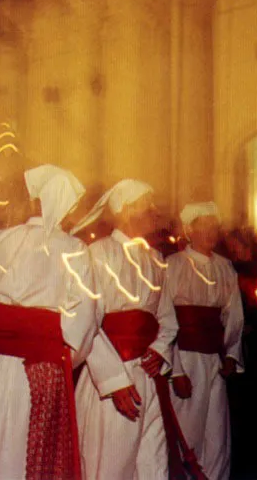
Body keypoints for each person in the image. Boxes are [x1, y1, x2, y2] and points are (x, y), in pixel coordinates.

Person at [0, 164, 99, 480]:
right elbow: (84, 320)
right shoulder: (75, 250)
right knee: (26, 455)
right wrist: (65, 360)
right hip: (42, 368)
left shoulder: (0, 240)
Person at [72, 179, 179, 480]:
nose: (155, 213)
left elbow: (167, 319)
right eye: (148, 206)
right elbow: (86, 321)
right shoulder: (97, 253)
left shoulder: (157, 260)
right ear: (126, 211)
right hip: (112, 379)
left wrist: (160, 350)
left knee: (152, 461)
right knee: (109, 464)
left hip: (148, 377)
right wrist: (113, 379)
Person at [164, 202, 244, 480]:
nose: (210, 232)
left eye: (214, 226)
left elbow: (234, 315)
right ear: (190, 230)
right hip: (185, 358)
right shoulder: (173, 266)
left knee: (217, 434)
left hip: (214, 359)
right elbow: (165, 319)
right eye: (204, 226)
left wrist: (232, 353)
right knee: (188, 430)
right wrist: (175, 370)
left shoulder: (225, 268)